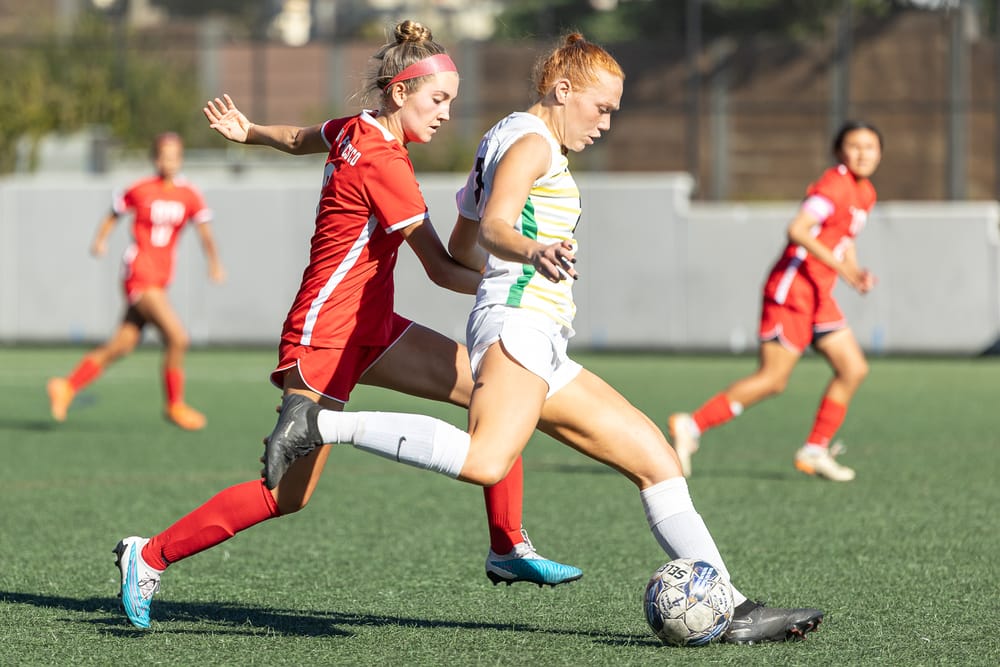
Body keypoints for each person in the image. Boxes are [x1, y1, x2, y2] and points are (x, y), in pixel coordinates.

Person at [257, 33, 824, 644]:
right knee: (486, 460)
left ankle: (733, 608)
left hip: (537, 333)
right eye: (600, 108)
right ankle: (320, 423)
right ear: (562, 90)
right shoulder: (531, 143)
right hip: (518, 327)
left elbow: (464, 244)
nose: (605, 123)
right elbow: (497, 225)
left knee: (657, 461)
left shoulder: (502, 137)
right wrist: (531, 252)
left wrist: (505, 264)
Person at [113, 20, 581, 630]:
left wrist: (249, 131)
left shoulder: (354, 128)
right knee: (286, 496)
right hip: (326, 334)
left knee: (488, 393)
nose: (446, 114)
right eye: (438, 99)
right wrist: (525, 275)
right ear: (400, 93)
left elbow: (297, 137)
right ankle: (149, 555)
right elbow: (441, 270)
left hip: (373, 325)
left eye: (451, 101)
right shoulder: (387, 164)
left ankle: (507, 544)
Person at [669, 121, 883, 482]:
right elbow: (797, 230)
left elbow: (845, 239)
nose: (863, 153)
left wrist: (855, 272)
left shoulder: (865, 192)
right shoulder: (833, 185)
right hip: (792, 291)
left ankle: (814, 449)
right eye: (854, 146)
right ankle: (691, 425)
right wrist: (840, 268)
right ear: (839, 151)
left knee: (853, 369)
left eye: (871, 147)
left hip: (818, 294)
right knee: (772, 380)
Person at [47, 133, 225, 431]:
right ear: (155, 158)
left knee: (123, 345)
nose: (169, 161)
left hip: (160, 279)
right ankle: (174, 404)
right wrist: (100, 240)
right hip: (140, 274)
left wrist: (214, 263)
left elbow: (204, 232)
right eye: (164, 156)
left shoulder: (189, 195)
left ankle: (66, 386)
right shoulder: (141, 189)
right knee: (178, 338)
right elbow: (114, 213)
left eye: (175, 156)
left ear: (181, 159)